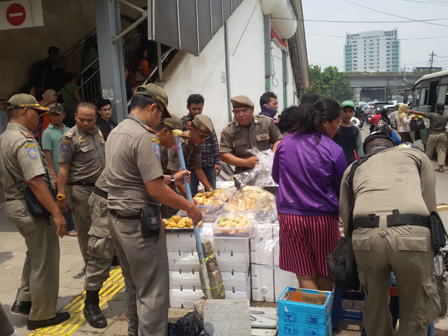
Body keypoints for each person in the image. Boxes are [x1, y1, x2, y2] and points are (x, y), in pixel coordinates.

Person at [106, 84, 202, 335]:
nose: (161, 121)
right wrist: (189, 207)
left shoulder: (116, 131)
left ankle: (134, 331)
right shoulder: (144, 137)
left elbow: (132, 177)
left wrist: (171, 179)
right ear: (152, 107)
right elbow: (154, 190)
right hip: (140, 226)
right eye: (160, 115)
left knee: (135, 285)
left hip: (118, 219)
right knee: (153, 292)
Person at [339, 132, 441, 336]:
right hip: (412, 234)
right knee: (416, 306)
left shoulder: (353, 168)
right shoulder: (416, 156)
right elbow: (430, 208)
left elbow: (346, 216)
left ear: (365, 152)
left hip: (366, 237)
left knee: (374, 304)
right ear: (393, 145)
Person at [0, 94, 70, 329]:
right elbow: (36, 182)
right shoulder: (24, 141)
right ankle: (42, 315)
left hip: (14, 204)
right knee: (46, 261)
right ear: (24, 112)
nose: (40, 118)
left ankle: (25, 299)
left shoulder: (4, 137)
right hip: (31, 207)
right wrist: (57, 214)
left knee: (35, 253)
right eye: (37, 113)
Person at [272, 98, 346, 291]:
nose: (338, 128)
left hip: (290, 217)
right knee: (324, 271)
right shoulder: (334, 150)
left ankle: (312, 319)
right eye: (337, 123)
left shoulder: (285, 142)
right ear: (324, 122)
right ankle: (324, 319)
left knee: (304, 273)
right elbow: (341, 189)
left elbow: (277, 176)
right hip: (322, 219)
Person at [57, 102, 105, 269]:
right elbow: (63, 169)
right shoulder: (69, 138)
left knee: (102, 225)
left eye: (90, 120)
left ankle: (103, 257)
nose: (85, 123)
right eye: (82, 119)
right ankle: (89, 263)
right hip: (79, 189)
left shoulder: (98, 132)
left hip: (99, 188)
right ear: (76, 117)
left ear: (95, 118)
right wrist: (61, 195)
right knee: (85, 228)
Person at [220, 95, 283, 174]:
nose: (241, 114)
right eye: (237, 111)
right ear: (233, 112)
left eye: (244, 110)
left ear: (252, 110)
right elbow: (224, 155)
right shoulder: (229, 131)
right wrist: (245, 162)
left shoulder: (265, 122)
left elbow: (278, 140)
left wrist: (272, 157)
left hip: (267, 172)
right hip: (243, 175)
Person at [41, 103, 76, 236]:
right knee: (62, 199)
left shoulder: (69, 130)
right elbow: (47, 156)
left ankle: (71, 225)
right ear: (50, 116)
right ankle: (69, 227)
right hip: (57, 171)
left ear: (63, 115)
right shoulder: (47, 133)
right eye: (54, 114)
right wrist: (53, 175)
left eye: (59, 114)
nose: (57, 117)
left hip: (72, 172)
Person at [83, 169, 110, 329]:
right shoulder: (143, 143)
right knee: (101, 252)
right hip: (106, 201)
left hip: (125, 200)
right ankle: (91, 303)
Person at [181, 94, 220, 195]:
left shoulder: (206, 122)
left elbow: (214, 141)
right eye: (194, 109)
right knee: (191, 191)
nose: (197, 111)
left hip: (207, 162)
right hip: (188, 167)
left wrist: (212, 193)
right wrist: (189, 201)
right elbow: (173, 172)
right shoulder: (179, 139)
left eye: (200, 109)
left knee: (210, 192)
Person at [168, 114, 214, 198]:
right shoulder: (178, 142)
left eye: (206, 137)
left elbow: (198, 169)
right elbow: (174, 171)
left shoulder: (196, 144)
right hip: (163, 176)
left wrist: (212, 192)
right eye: (201, 136)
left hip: (174, 178)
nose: (204, 140)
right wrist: (190, 199)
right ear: (191, 129)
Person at [413, 103, 448, 173]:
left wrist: (410, 111)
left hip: (433, 135)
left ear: (437, 108)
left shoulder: (432, 115)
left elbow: (421, 113)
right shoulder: (446, 116)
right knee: (442, 151)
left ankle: (425, 166)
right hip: (443, 135)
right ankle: (441, 168)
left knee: (429, 151)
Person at [332, 100, 364, 165]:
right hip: (335, 161)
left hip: (350, 163)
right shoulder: (335, 127)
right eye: (345, 111)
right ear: (340, 112)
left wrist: (361, 163)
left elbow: (359, 149)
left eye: (350, 111)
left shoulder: (355, 129)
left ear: (353, 113)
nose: (347, 114)